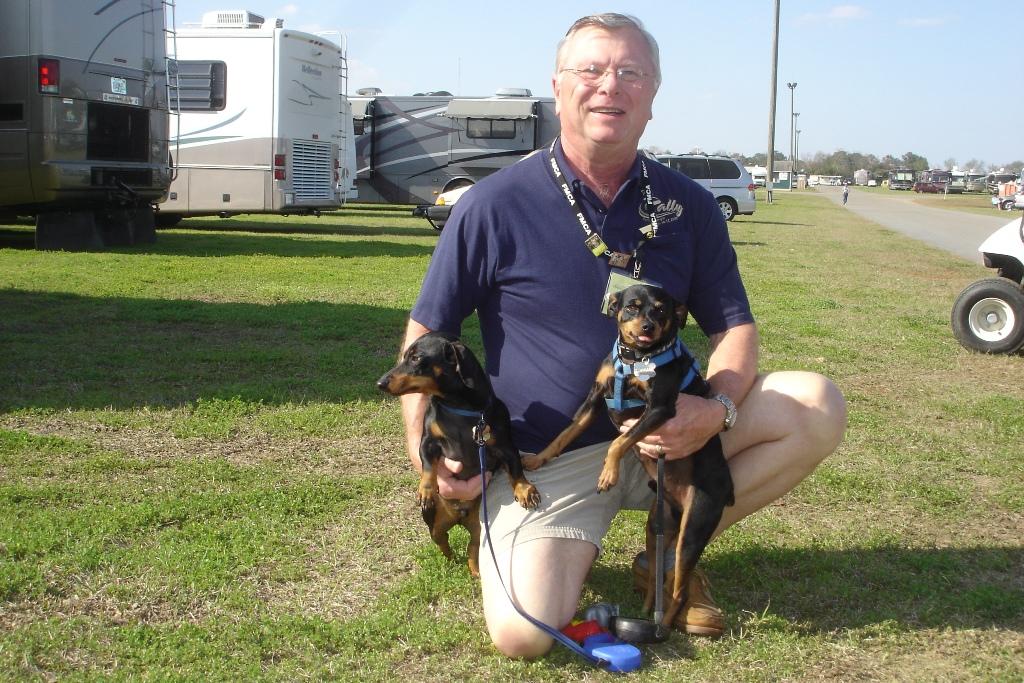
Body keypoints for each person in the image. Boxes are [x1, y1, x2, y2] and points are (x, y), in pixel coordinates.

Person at [398, 13, 847, 659]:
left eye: (630, 72)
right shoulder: (493, 203)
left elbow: (736, 329)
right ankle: (556, 541)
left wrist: (713, 408)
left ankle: (667, 552)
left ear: (652, 95)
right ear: (559, 87)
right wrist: (429, 451)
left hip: (669, 435)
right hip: (551, 454)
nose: (610, 85)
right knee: (524, 635)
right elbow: (427, 332)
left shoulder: (687, 205)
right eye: (591, 69)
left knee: (816, 403)